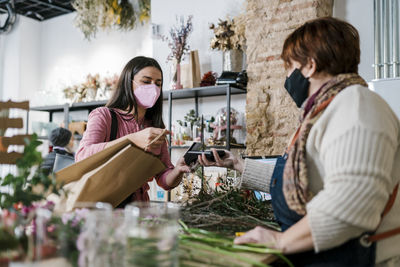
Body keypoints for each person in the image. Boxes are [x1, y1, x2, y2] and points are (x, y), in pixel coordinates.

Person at [198, 17, 400, 266]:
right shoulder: (325, 110)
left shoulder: (356, 105)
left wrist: (280, 241)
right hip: (322, 252)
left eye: (289, 65)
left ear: (310, 66)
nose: (287, 75)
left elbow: (353, 202)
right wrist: (239, 164)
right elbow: (307, 177)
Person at [75, 56, 190, 204]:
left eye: (158, 84)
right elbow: (82, 155)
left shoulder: (154, 127)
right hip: (103, 209)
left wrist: (178, 171)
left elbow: (163, 180)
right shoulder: (104, 116)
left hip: (138, 208)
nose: (153, 88)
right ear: (129, 83)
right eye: (146, 82)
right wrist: (132, 139)